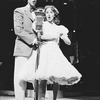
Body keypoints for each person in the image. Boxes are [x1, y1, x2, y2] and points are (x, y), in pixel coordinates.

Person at [32, 5, 82, 100]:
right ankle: (41, 97)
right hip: (45, 51)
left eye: (51, 12)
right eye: (47, 12)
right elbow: (40, 37)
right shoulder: (41, 24)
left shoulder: (59, 28)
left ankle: (55, 98)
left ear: (54, 14)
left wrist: (64, 37)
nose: (49, 14)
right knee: (43, 74)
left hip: (55, 52)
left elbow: (68, 42)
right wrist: (55, 36)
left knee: (56, 74)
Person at [13, 0, 38, 100]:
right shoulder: (19, 11)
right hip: (23, 48)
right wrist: (33, 40)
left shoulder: (40, 12)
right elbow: (18, 30)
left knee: (37, 77)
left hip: (37, 49)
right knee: (20, 78)